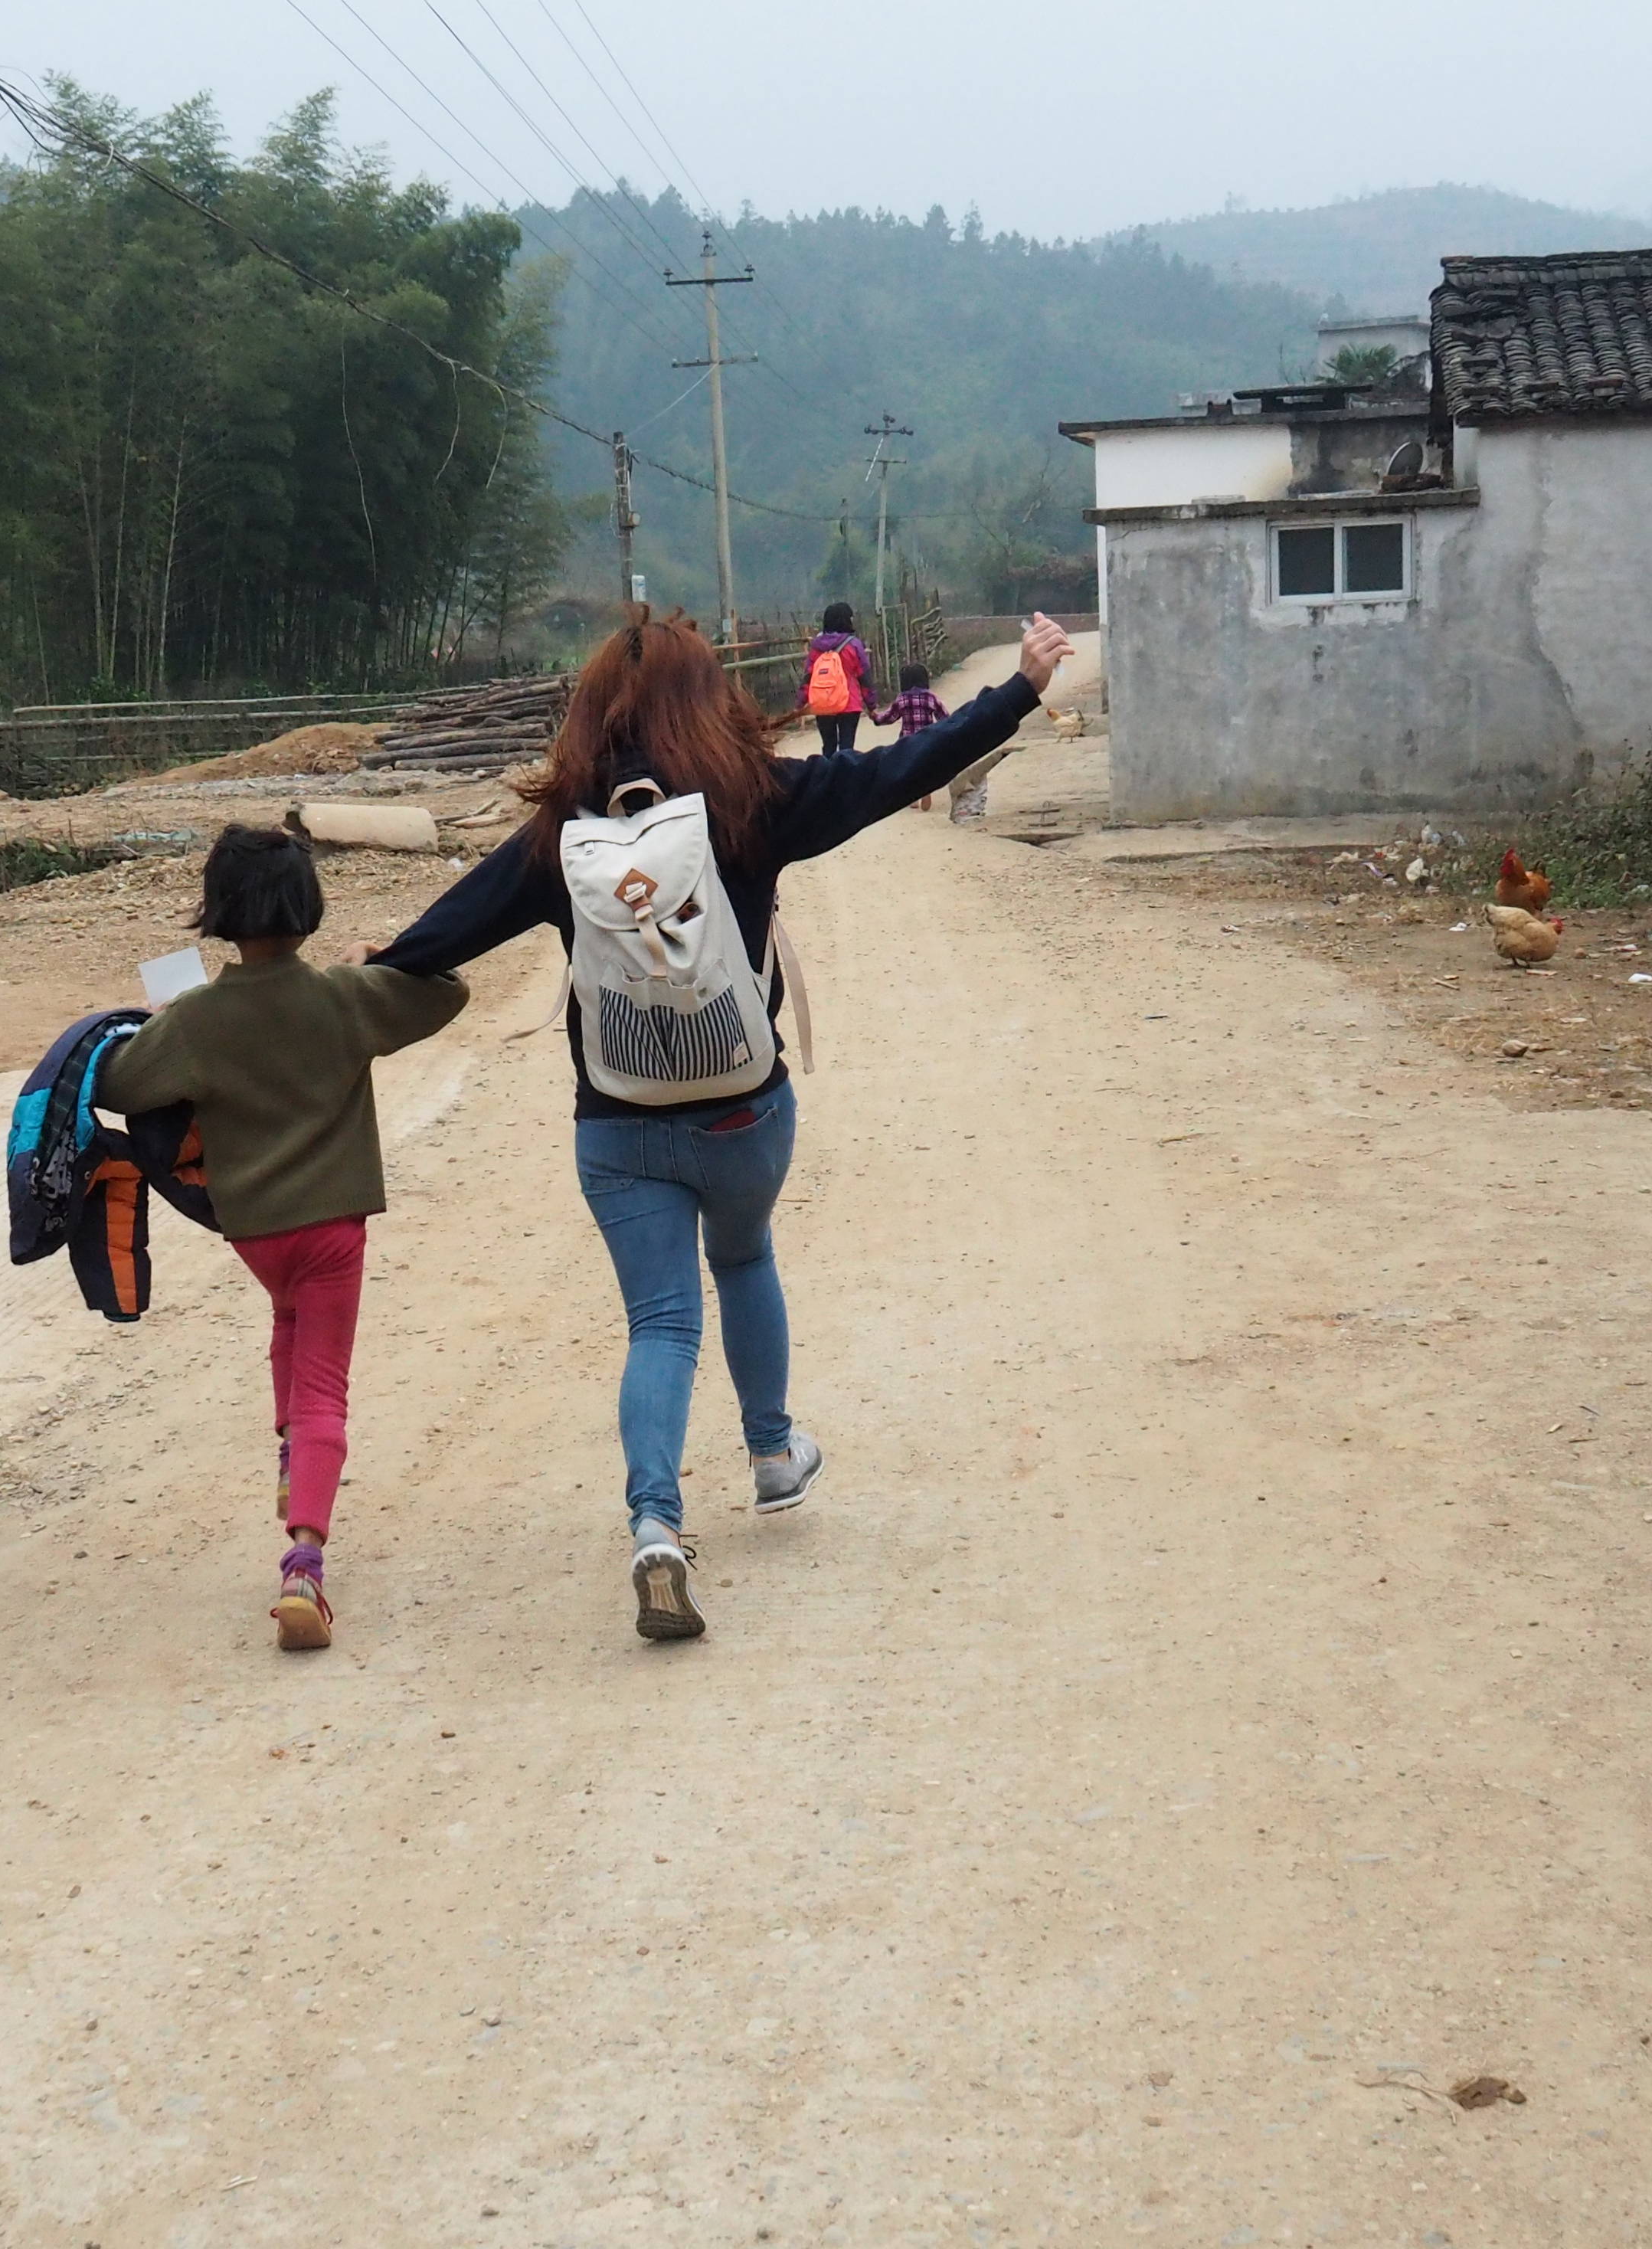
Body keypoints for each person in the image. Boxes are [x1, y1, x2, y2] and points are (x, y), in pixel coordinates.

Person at [374, 607, 1068, 1642]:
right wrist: (1018, 689)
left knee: (661, 1322)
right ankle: (774, 1457)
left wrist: (311, 1003)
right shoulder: (756, 802)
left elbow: (427, 946)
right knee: (742, 1260)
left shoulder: (557, 843)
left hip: (615, 1122)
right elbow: (898, 767)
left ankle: (656, 1527)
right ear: (714, 702)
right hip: (745, 1111)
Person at [97, 824, 469, 1651]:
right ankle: (303, 1563)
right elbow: (447, 994)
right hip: (334, 1222)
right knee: (325, 1385)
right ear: (310, 908)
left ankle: (288, 1456)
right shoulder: (347, 995)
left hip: (253, 1229)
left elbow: (121, 1081)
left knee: (288, 1326)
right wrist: (395, 956)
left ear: (219, 912)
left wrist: (163, 1023)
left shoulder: (197, 1018)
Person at [800, 601, 872, 756]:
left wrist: (800, 703)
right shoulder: (854, 645)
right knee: (846, 749)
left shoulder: (817, 646)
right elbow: (864, 676)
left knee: (828, 748)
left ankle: (829, 778)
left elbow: (808, 676)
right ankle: (845, 779)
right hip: (848, 704)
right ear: (846, 620)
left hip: (823, 705)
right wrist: (871, 705)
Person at [884, 661, 949, 809]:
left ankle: (913, 797)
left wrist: (875, 717)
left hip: (908, 740)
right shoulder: (930, 698)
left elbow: (889, 717)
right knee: (926, 765)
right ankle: (926, 790)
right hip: (928, 739)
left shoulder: (902, 699)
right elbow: (945, 717)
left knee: (909, 768)